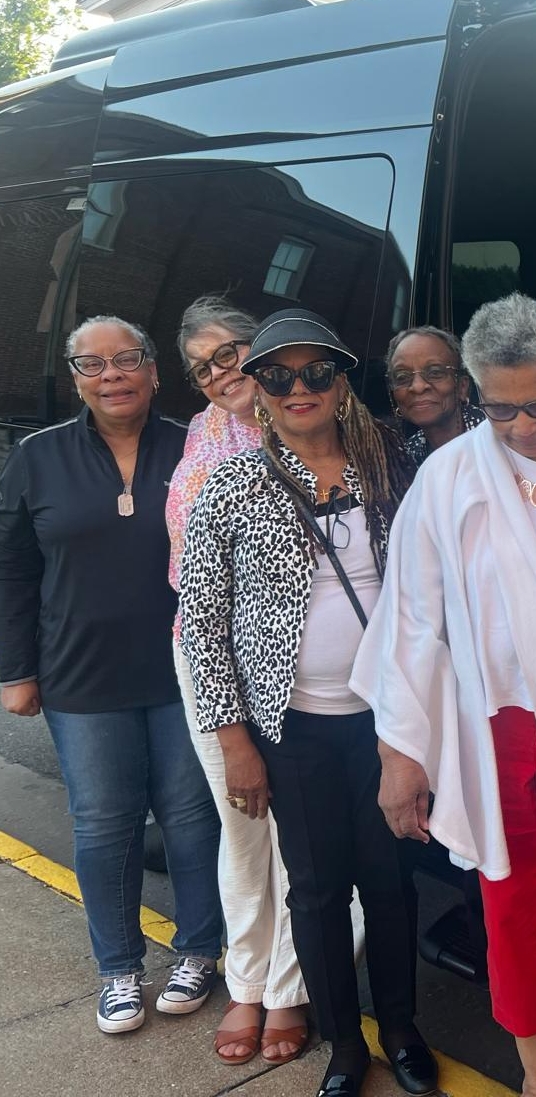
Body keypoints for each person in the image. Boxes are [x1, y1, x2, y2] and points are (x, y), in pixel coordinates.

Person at [351, 293, 536, 1097]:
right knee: (512, 920)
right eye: (499, 409)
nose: (523, 427)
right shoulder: (449, 477)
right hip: (499, 738)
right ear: (474, 395)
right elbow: (411, 621)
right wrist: (400, 753)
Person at [180, 309, 434, 1097]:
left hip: (388, 723)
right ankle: (344, 1045)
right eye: (278, 375)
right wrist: (234, 741)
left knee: (391, 882)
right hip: (289, 729)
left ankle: (398, 1025)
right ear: (255, 387)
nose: (299, 388)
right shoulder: (230, 483)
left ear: (340, 379)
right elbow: (203, 622)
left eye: (316, 372)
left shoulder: (391, 464)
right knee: (317, 888)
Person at [0, 316, 222, 1034]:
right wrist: (15, 671)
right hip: (79, 675)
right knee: (103, 824)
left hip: (183, 669)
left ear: (155, 371)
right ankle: (120, 968)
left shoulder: (197, 445)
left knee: (193, 819)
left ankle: (197, 950)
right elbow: (12, 569)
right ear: (74, 379)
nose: (112, 375)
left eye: (127, 359)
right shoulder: (37, 457)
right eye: (92, 365)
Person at [167, 295, 339, 1066]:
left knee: (304, 840)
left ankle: (288, 987)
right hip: (207, 653)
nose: (222, 372)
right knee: (243, 826)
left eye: (231, 351)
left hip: (303, 667)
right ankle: (246, 980)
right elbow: (195, 590)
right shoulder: (203, 442)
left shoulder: (317, 426)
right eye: (203, 364)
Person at [386, 325, 483, 463]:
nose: (418, 387)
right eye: (402, 377)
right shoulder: (408, 458)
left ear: (462, 387)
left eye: (435, 373)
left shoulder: (499, 439)